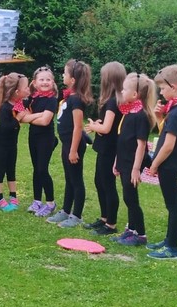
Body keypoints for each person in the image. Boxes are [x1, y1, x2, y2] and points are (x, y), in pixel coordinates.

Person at [146, 65, 177, 260]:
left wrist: (154, 164)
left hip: (170, 164)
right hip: (173, 163)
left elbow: (168, 146)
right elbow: (165, 132)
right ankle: (168, 241)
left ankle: (172, 249)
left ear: (173, 87)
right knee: (171, 205)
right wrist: (159, 117)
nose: (161, 93)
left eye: (163, 89)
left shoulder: (176, 112)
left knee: (173, 206)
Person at [47, 59, 93, 228]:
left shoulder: (76, 100)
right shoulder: (70, 97)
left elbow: (78, 127)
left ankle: (77, 215)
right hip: (67, 143)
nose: (62, 75)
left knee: (76, 179)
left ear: (73, 80)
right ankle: (66, 211)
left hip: (74, 145)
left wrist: (73, 150)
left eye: (65, 73)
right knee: (69, 178)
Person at [112, 72, 156, 246]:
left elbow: (141, 145)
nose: (122, 92)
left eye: (124, 89)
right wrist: (117, 161)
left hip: (133, 164)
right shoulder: (129, 112)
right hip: (124, 161)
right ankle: (131, 230)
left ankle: (141, 235)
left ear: (135, 94)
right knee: (127, 197)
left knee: (131, 199)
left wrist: (136, 169)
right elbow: (122, 140)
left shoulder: (141, 116)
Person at [84, 62, 126, 235]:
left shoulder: (113, 102)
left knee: (107, 184)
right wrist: (98, 124)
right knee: (99, 181)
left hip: (110, 148)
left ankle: (111, 224)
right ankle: (104, 217)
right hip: (104, 147)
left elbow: (107, 128)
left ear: (109, 79)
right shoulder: (113, 100)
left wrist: (94, 126)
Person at [0, 73, 33, 212]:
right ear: (17, 91)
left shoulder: (19, 103)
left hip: (12, 143)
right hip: (2, 143)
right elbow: (6, 127)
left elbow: (31, 99)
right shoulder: (5, 108)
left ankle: (13, 196)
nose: (28, 90)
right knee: (1, 168)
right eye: (26, 88)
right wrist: (18, 118)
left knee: (11, 169)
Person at [22, 66, 59, 217]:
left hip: (46, 138)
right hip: (33, 137)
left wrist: (30, 118)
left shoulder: (52, 100)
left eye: (48, 79)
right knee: (36, 169)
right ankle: (37, 200)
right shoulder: (32, 99)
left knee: (43, 169)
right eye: (41, 79)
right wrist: (37, 115)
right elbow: (21, 117)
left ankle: (50, 203)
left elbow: (45, 121)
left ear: (53, 82)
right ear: (35, 83)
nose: (45, 82)